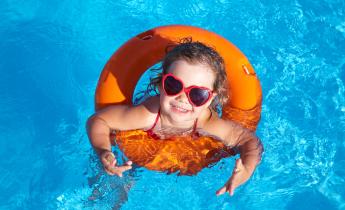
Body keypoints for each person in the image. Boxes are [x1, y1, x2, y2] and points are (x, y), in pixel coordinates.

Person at [87, 39, 263, 196]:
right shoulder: (147, 114)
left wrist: (247, 168)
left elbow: (248, 140)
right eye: (173, 85)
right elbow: (99, 121)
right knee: (118, 181)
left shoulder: (206, 121)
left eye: (197, 94)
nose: (182, 98)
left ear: (210, 98)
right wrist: (104, 151)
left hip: (186, 145)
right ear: (161, 83)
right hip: (143, 142)